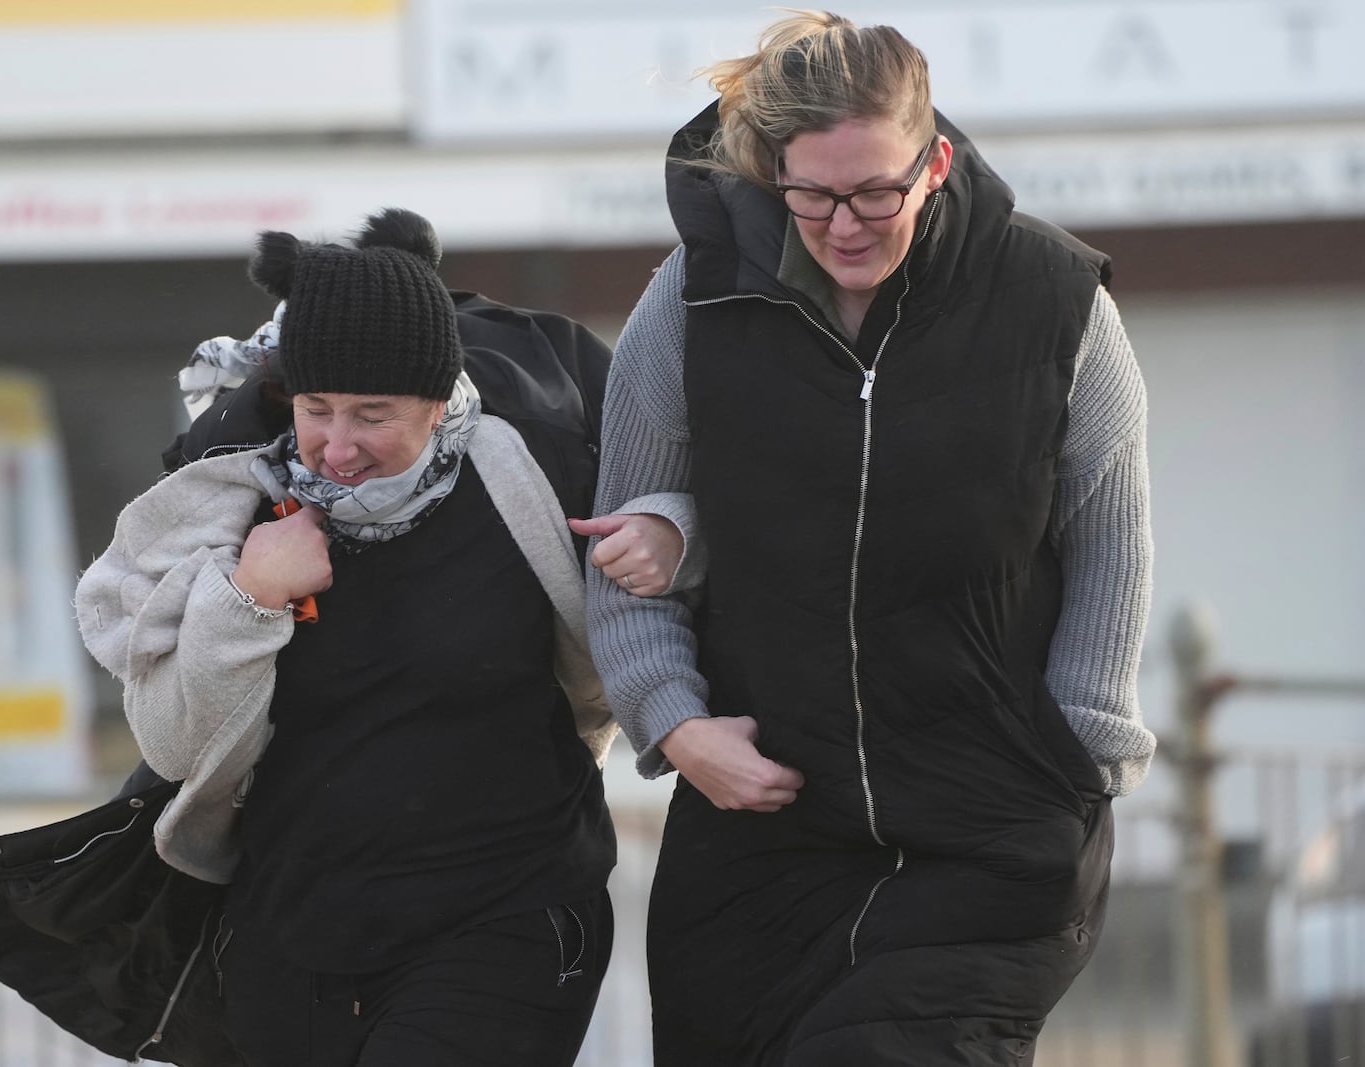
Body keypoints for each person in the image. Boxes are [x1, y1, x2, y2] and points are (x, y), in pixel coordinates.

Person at [581, 11, 1157, 1065]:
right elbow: (624, 547)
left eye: (876, 192)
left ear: (933, 162)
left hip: (987, 830)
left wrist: (1079, 750)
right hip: (759, 836)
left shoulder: (1054, 301)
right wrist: (674, 721)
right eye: (811, 197)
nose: (845, 224)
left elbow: (1108, 546)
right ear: (770, 176)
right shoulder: (690, 301)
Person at [73, 207, 689, 1067]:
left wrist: (671, 534)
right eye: (318, 408)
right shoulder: (234, 502)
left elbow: (679, 545)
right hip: (290, 932)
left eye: (374, 413)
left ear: (439, 401)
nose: (338, 446)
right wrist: (249, 597)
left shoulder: (528, 477)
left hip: (508, 913)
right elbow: (176, 744)